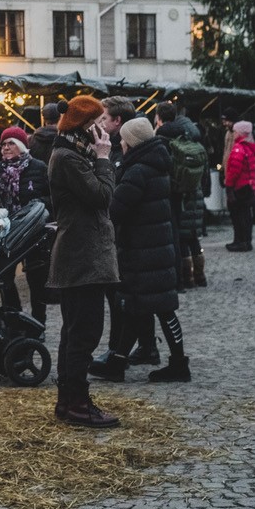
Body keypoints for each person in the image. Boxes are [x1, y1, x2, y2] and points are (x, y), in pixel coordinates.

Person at [89, 117, 190, 384]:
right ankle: (120, 362)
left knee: (153, 307)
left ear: (131, 142)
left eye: (123, 139)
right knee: (142, 307)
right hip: (155, 248)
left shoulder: (137, 171)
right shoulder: (155, 165)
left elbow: (117, 209)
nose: (120, 143)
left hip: (144, 251)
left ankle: (177, 365)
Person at [46, 95, 120, 429]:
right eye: (99, 123)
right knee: (84, 333)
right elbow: (102, 196)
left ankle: (69, 401)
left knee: (76, 331)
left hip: (83, 256)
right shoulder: (67, 158)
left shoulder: (72, 154)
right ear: (86, 126)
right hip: (81, 257)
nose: (105, 129)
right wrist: (104, 159)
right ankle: (76, 403)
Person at [95, 96, 159, 363]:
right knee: (134, 296)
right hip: (133, 237)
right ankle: (145, 347)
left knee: (122, 296)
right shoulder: (127, 151)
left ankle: (117, 351)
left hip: (128, 237)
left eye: (104, 119)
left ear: (117, 122)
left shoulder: (125, 152)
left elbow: (118, 198)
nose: (99, 123)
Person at [0, 127, 50, 322]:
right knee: (5, 277)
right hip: (7, 229)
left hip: (34, 230)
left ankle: (38, 322)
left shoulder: (38, 167)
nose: (5, 147)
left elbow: (52, 197)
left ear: (21, 146)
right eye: (3, 144)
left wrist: (38, 208)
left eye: (11, 143)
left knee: (36, 280)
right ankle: (15, 317)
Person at [154, 101, 209, 287]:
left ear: (158, 117)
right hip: (195, 191)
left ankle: (187, 278)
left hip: (176, 193)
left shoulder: (163, 137)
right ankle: (200, 276)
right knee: (193, 236)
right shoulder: (190, 135)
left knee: (181, 237)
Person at [224, 121, 255, 252]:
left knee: (238, 216)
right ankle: (246, 241)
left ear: (241, 133)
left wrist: (229, 186)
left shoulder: (238, 148)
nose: (234, 134)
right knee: (246, 216)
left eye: (236, 131)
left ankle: (240, 241)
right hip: (249, 186)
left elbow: (234, 171)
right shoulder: (251, 148)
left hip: (239, 187)